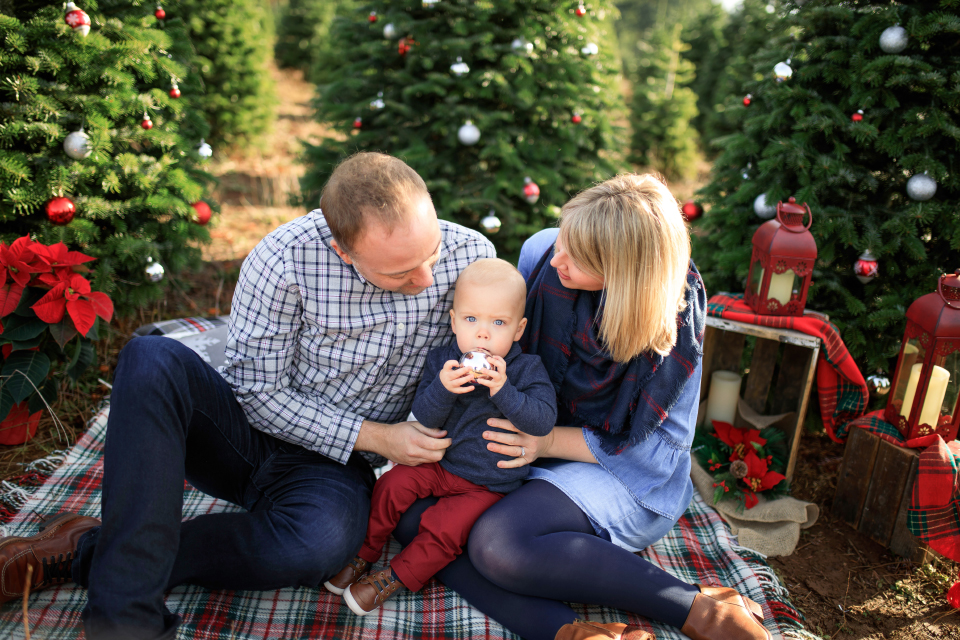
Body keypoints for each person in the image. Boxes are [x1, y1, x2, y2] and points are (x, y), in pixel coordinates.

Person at [0, 152, 495, 640]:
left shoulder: (472, 257)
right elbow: (257, 393)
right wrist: (383, 437)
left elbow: (492, 356)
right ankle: (125, 623)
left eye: (429, 256)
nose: (427, 278)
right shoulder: (283, 257)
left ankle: (85, 550)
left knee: (316, 546)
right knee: (150, 358)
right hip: (243, 436)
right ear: (343, 251)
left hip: (337, 468)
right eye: (399, 272)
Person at [391, 174, 772, 640]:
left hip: (615, 469)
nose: (556, 258)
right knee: (413, 516)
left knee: (497, 543)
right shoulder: (543, 256)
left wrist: (546, 440)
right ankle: (575, 634)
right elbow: (513, 355)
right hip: (524, 439)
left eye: (576, 256)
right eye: (562, 237)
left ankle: (695, 608)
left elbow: (660, 452)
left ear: (624, 272)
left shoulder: (672, 317)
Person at [326, 258, 557, 616]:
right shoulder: (443, 362)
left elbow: (542, 422)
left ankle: (392, 578)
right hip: (439, 462)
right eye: (471, 319)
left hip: (488, 483)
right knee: (390, 485)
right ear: (453, 322)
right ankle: (364, 553)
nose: (482, 333)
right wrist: (444, 388)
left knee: (445, 532)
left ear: (518, 329)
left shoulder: (527, 369)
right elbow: (426, 416)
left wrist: (504, 391)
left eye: (498, 322)